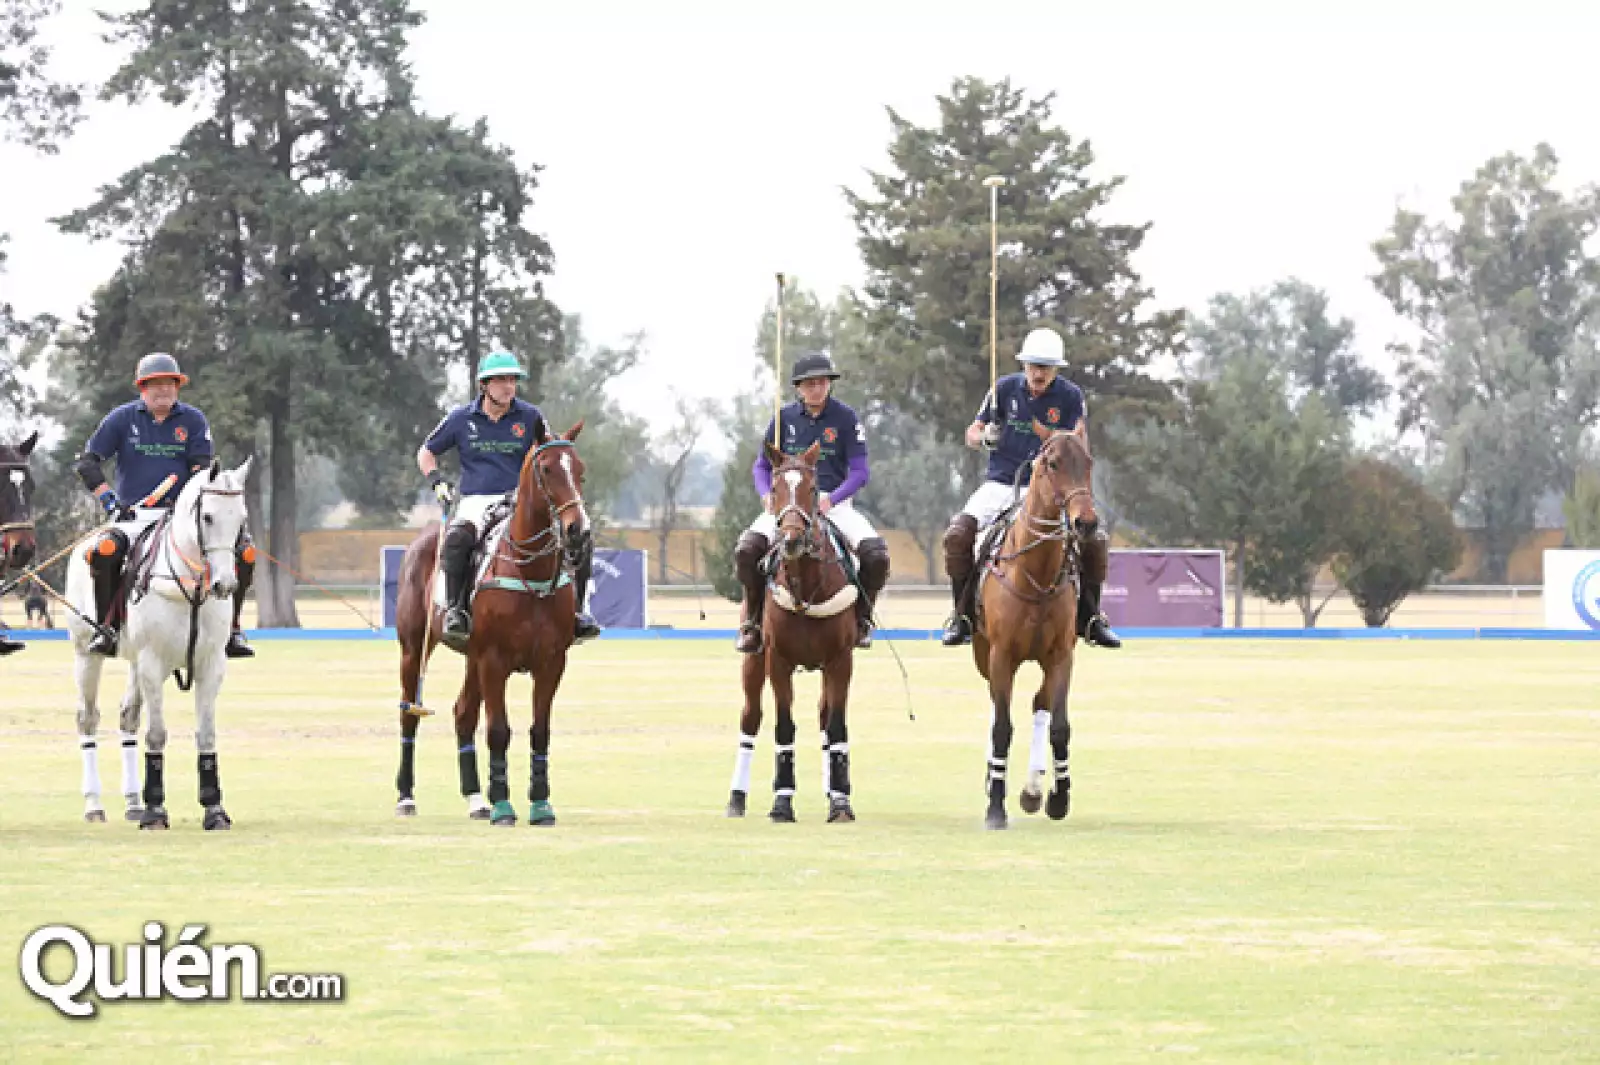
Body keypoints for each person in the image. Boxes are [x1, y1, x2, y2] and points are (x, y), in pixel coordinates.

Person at [940, 326, 1121, 650]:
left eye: (1046, 367)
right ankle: (962, 616)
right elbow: (971, 433)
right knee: (958, 534)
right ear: (1024, 365)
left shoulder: (1069, 396)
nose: (1039, 373)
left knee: (1094, 539)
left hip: (1051, 488)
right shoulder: (1004, 389)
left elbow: (1078, 446)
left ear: (1056, 369)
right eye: (1034, 366)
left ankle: (1091, 618)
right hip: (1000, 482)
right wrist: (984, 437)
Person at [75, 353, 257, 659]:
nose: (164, 391)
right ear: (142, 388)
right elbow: (87, 462)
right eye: (155, 385)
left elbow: (201, 469)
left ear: (178, 387)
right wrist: (109, 499)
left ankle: (233, 630)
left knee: (245, 552)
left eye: (170, 384)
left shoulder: (193, 420)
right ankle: (106, 628)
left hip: (180, 517)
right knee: (105, 551)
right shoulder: (122, 419)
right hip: (133, 515)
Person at [417, 350, 599, 649]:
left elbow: (550, 450)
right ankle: (456, 610)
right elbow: (426, 452)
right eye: (501, 380)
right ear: (484, 385)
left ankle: (579, 612)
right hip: (476, 500)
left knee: (580, 537)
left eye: (513, 380)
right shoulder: (462, 418)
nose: (509, 386)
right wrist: (437, 483)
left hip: (519, 501)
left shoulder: (530, 416)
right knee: (457, 540)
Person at [734, 350, 891, 653]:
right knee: (746, 550)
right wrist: (767, 494)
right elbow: (761, 466)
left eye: (822, 382)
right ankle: (753, 622)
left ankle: (862, 620)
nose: (816, 388)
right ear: (799, 388)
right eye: (809, 384)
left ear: (829, 384)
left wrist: (832, 500)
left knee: (876, 556)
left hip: (833, 504)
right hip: (787, 505)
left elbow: (860, 471)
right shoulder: (783, 420)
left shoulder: (845, 418)